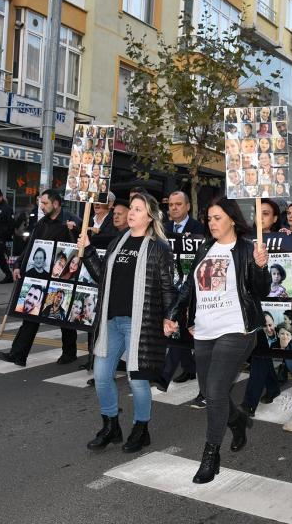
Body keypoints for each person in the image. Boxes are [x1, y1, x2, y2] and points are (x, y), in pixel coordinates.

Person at [168, 196, 270, 484]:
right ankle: (238, 421)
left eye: (217, 218)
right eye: (209, 218)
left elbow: (260, 291)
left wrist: (261, 267)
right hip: (204, 330)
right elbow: (189, 286)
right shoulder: (205, 248)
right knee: (213, 392)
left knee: (213, 394)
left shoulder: (248, 250)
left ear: (232, 219)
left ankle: (211, 456)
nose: (211, 223)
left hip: (236, 329)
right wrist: (174, 313)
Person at [77, 192, 178, 455]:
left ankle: (140, 429)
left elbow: (168, 288)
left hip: (140, 322)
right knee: (101, 376)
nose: (131, 213)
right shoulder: (117, 242)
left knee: (137, 380)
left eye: (137, 209)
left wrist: (171, 317)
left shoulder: (159, 248)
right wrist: (87, 250)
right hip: (111, 320)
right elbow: (102, 278)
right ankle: (111, 426)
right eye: (130, 208)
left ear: (150, 216)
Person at [0, 190, 80, 367]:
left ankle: (69, 352)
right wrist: (18, 264)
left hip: (61, 277)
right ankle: (18, 355)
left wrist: (77, 229)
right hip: (40, 275)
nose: (41, 207)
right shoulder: (41, 223)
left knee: (62, 316)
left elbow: (84, 243)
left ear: (56, 204)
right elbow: (31, 247)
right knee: (31, 315)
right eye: (41, 203)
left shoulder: (71, 221)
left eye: (45, 203)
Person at [239, 311, 282, 418]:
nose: (268, 328)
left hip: (291, 355)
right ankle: (273, 389)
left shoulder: (282, 332)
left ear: (274, 323)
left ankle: (249, 404)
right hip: (258, 355)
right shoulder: (259, 334)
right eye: (264, 326)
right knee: (260, 361)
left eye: (270, 325)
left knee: (261, 361)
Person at [12, 193, 40, 259]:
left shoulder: (44, 212)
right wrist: (25, 235)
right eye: (37, 200)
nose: (38, 202)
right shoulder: (32, 212)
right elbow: (30, 225)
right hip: (30, 236)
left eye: (39, 200)